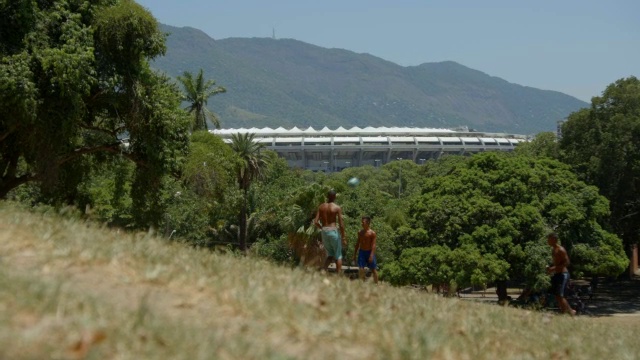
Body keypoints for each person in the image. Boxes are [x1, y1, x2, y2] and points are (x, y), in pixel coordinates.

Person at [314, 190, 346, 274]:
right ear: (335, 197)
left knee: (330, 254)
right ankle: (338, 276)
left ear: (327, 196)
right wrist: (343, 237)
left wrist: (322, 228)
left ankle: (323, 271)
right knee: (338, 255)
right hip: (333, 231)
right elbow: (341, 224)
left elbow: (316, 221)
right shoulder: (336, 207)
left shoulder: (321, 206)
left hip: (324, 232)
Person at [546, 232, 576, 315]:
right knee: (557, 295)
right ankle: (564, 313)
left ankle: (571, 312)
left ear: (554, 239)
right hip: (557, 274)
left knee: (560, 295)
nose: (547, 240)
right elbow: (558, 263)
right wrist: (550, 269)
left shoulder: (560, 249)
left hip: (563, 275)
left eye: (549, 239)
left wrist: (554, 268)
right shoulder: (553, 249)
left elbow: (567, 263)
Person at [353, 216, 379, 283]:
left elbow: (373, 245)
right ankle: (363, 283)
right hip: (362, 252)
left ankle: (376, 284)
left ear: (368, 223)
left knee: (373, 269)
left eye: (363, 222)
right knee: (361, 269)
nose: (361, 223)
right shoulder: (360, 232)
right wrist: (354, 254)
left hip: (370, 252)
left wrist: (371, 255)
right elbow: (357, 243)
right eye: (361, 222)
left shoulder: (372, 233)